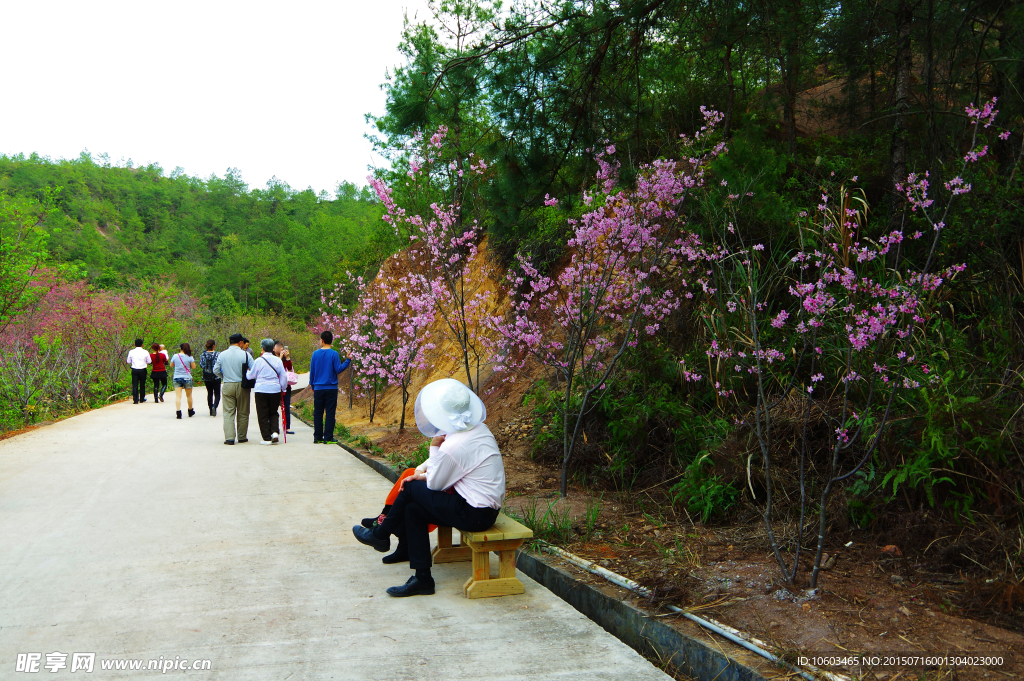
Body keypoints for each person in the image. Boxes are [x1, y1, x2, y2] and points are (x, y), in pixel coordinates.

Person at [352, 379, 505, 597]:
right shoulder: (477, 429)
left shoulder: (456, 444)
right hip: (479, 509)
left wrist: (433, 448)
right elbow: (441, 470)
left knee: (411, 488)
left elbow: (435, 483)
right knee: (412, 509)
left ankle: (380, 533)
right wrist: (422, 473)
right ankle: (422, 578)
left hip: (475, 513)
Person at [308, 330, 350, 444]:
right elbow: (338, 369)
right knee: (330, 412)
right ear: (331, 341)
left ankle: (317, 437)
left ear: (322, 340)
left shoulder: (315, 354)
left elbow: (312, 371)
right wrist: (348, 360)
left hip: (318, 388)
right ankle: (328, 437)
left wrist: (312, 384)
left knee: (318, 412)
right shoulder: (334, 354)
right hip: (331, 388)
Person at [246, 338, 288, 445]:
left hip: (261, 389)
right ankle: (274, 432)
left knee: (262, 413)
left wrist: (247, 372)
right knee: (273, 412)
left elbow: (251, 376)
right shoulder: (277, 360)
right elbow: (283, 375)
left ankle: (266, 438)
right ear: (273, 348)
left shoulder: (258, 361)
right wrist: (283, 388)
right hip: (275, 389)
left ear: (263, 348)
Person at [213, 333, 252, 445]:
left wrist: (224, 377)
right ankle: (242, 436)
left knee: (228, 412)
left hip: (228, 384)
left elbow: (215, 370)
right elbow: (253, 370)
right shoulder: (245, 355)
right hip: (242, 385)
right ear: (240, 342)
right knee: (243, 412)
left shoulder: (222, 355)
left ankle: (229, 438)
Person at [169, 343, 197, 419]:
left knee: (178, 396)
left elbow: (171, 365)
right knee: (189, 396)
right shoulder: (190, 357)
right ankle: (190, 410)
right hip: (187, 378)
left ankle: (178, 412)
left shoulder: (175, 356)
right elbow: (194, 367)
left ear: (180, 348)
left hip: (177, 377)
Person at [199, 339, 221, 417]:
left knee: (210, 393)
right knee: (217, 393)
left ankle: (210, 410)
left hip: (207, 377)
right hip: (216, 376)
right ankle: (214, 406)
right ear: (214, 346)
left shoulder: (203, 355)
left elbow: (201, 365)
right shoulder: (218, 354)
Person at [126, 338, 151, 404]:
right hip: (143, 369)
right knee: (142, 384)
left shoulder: (131, 352)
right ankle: (142, 399)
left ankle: (135, 399)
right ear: (142, 345)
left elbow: (128, 361)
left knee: (135, 385)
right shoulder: (145, 352)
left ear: (134, 345)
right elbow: (149, 361)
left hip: (134, 369)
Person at [279, 345, 295, 435]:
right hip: (275, 387)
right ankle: (274, 428)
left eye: (282, 348)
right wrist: (280, 358)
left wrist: (287, 358)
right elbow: (277, 368)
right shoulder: (273, 359)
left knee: (286, 407)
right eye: (279, 347)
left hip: (286, 387)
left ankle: (287, 427)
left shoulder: (286, 360)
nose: (281, 349)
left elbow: (289, 369)